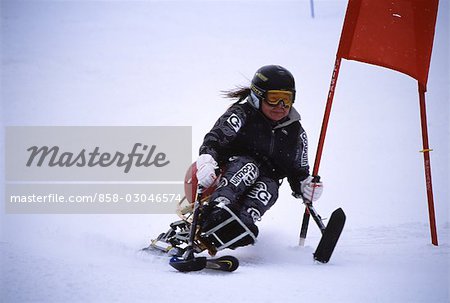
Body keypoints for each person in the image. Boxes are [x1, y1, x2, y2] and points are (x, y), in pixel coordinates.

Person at [194, 65, 324, 252]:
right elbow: (216, 137)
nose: (280, 106)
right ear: (257, 96)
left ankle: (240, 226)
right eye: (273, 98)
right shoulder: (242, 114)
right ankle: (218, 210)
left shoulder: (296, 132)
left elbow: (298, 171)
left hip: (263, 180)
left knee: (269, 189)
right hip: (216, 176)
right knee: (249, 167)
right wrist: (207, 159)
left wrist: (306, 186)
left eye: (286, 99)